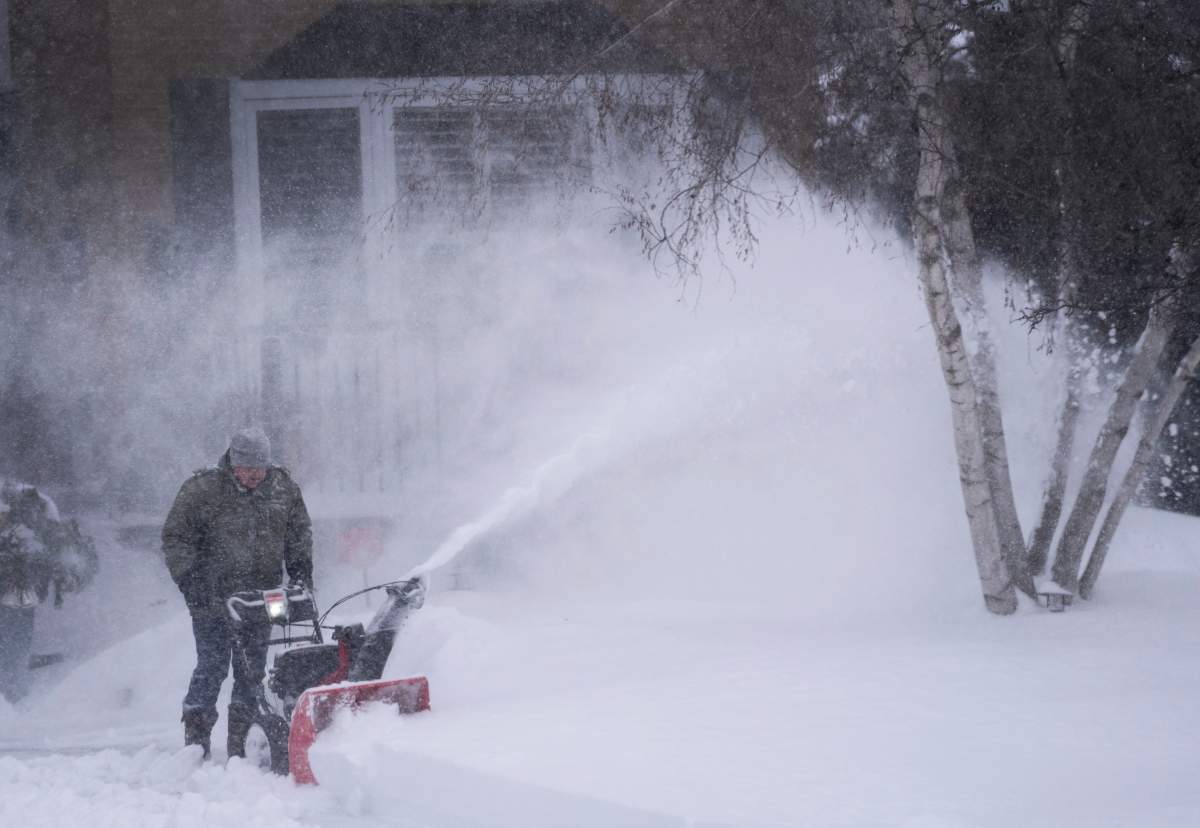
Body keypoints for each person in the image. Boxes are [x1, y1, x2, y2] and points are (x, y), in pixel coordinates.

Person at [162, 426, 313, 759]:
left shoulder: (283, 489)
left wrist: (301, 577)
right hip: (212, 600)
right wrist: (193, 582)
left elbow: (298, 535)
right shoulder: (202, 491)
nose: (254, 477)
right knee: (212, 666)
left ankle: (240, 746)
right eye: (247, 470)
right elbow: (175, 540)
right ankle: (196, 741)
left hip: (261, 600)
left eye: (260, 470)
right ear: (232, 463)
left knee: (251, 673)